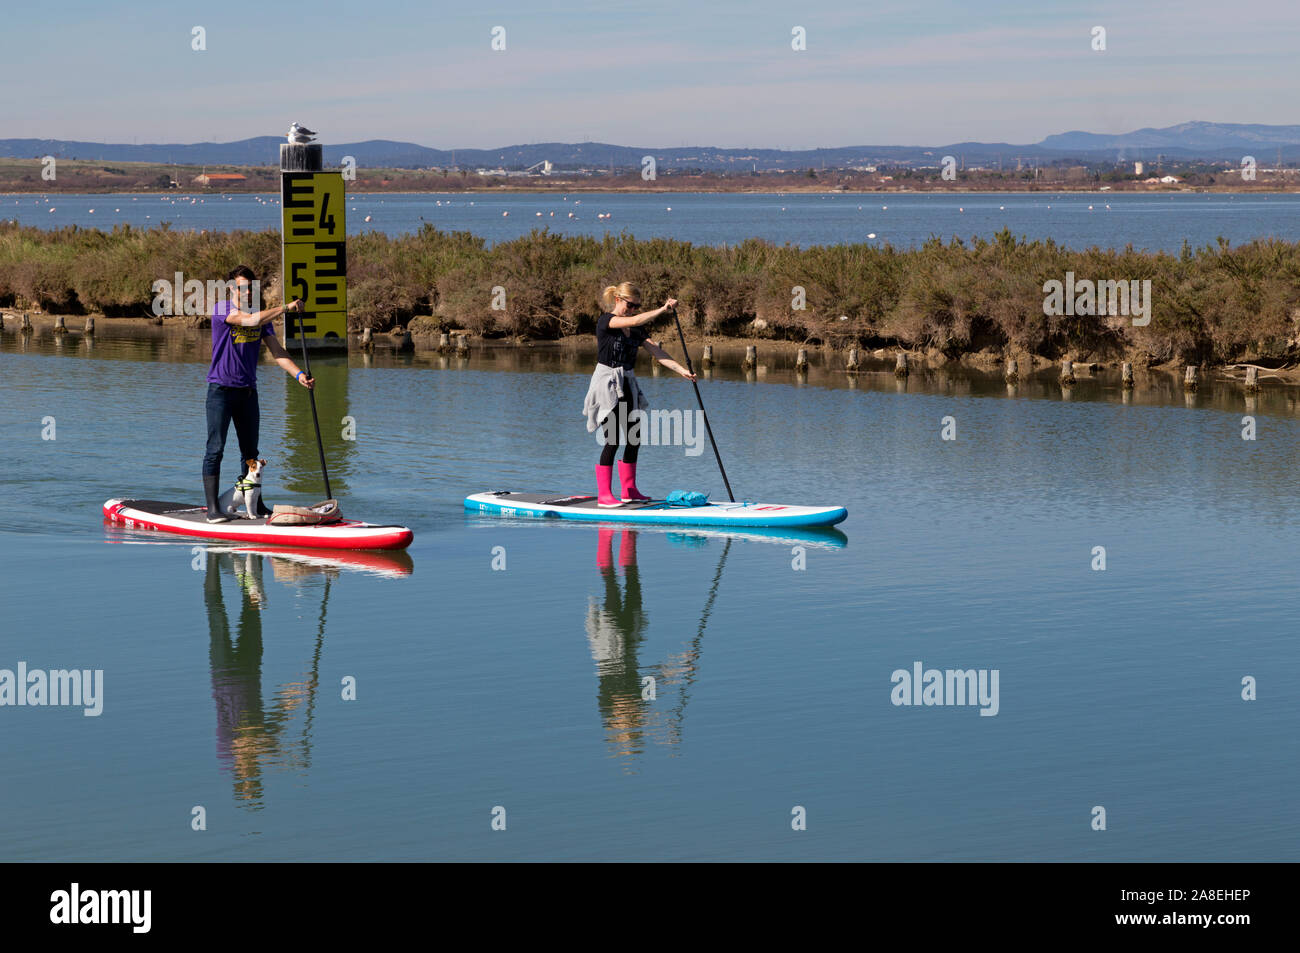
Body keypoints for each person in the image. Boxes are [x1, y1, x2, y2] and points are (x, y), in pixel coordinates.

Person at [203, 265, 311, 522]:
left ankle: (256, 504)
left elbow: (278, 352)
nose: (247, 292)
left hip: (247, 393)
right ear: (231, 289)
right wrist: (285, 308)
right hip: (220, 391)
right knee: (215, 449)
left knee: (250, 451)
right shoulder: (222, 309)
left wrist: (299, 375)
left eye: (251, 288)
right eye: (242, 288)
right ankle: (212, 510)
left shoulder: (262, 319)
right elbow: (249, 320)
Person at [582, 282, 693, 506]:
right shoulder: (606, 321)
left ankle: (629, 490)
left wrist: (682, 370)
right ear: (617, 300)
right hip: (608, 383)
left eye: (637, 306)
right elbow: (633, 320)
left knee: (634, 437)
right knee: (612, 439)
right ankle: (604, 495)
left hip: (628, 381)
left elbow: (656, 351)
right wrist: (663, 310)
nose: (633, 310)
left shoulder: (636, 329)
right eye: (630, 305)